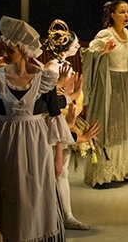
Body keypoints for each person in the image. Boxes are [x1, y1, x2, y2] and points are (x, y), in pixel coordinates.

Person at [0, 16, 74, 242]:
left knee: (34, 194)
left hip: (36, 147)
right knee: (8, 194)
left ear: (25, 51)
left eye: (10, 51)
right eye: (5, 50)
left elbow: (55, 117)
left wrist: (58, 158)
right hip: (6, 145)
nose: (4, 54)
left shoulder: (44, 78)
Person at [84, 1, 128, 187]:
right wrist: (103, 51)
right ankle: (103, 174)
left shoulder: (126, 34)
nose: (126, 15)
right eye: (122, 12)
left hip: (124, 83)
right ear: (112, 15)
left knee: (124, 126)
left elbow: (124, 57)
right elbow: (89, 54)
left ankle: (121, 170)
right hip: (110, 84)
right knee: (110, 125)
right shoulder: (106, 34)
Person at [44, 20, 94, 229]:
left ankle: (66, 215)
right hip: (55, 121)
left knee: (62, 172)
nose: (78, 47)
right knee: (54, 169)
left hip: (65, 120)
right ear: (65, 47)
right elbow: (51, 100)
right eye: (74, 44)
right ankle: (58, 215)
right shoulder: (52, 68)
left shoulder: (64, 65)